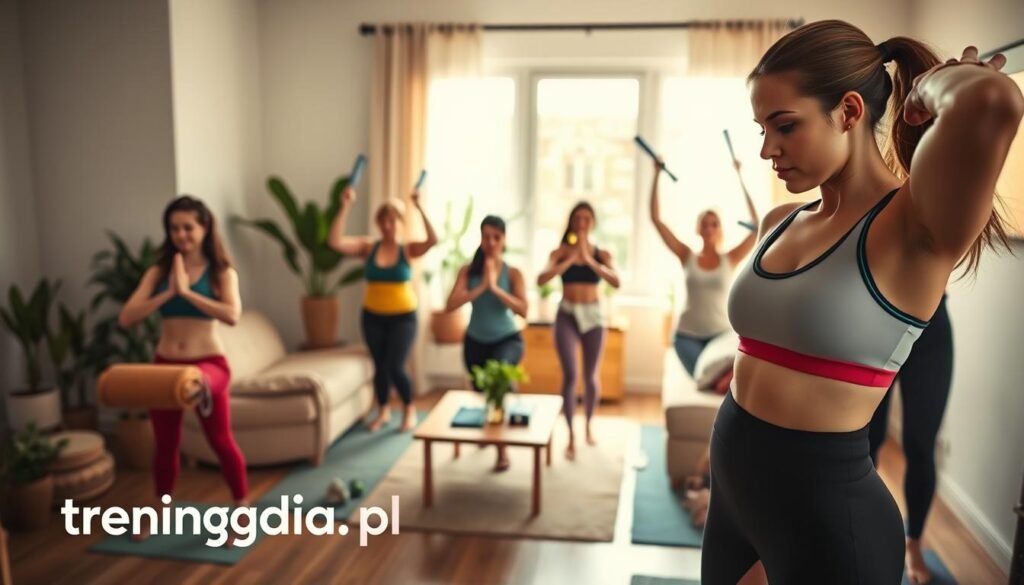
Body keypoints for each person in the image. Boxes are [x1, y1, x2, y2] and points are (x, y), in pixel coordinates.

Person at [703, 20, 1021, 584]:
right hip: (733, 500)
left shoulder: (913, 230)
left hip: (829, 522)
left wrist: (925, 91)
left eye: (784, 126)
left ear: (849, 112)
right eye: (761, 128)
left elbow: (993, 98)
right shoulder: (781, 222)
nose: (766, 150)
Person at [119, 196, 248, 543]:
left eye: (188, 227)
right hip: (165, 365)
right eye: (174, 228)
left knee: (220, 440)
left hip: (209, 365)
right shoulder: (157, 273)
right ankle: (160, 511)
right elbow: (127, 317)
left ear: (204, 229)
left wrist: (189, 294)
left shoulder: (222, 273)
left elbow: (232, 315)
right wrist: (168, 293)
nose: (181, 235)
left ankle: (241, 508)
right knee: (165, 444)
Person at [328, 186, 438, 432]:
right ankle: (384, 411)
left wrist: (419, 206)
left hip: (404, 318)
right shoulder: (369, 248)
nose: (388, 225)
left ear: (399, 222)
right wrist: (345, 206)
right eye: (383, 221)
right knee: (379, 364)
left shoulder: (407, 249)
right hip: (373, 317)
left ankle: (409, 409)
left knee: (395, 365)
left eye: (392, 220)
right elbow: (335, 242)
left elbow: (433, 240)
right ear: (378, 223)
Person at [868, 293, 953, 584]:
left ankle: (914, 544)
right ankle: (863, 535)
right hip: (876, 323)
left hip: (930, 328)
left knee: (920, 445)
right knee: (865, 443)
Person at [649, 156, 759, 378]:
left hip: (720, 336)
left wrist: (740, 177)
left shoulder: (730, 258)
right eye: (705, 223)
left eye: (714, 223)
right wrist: (656, 175)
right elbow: (656, 220)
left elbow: (756, 227)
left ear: (720, 229)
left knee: (722, 377)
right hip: (686, 336)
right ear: (698, 228)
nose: (709, 228)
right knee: (703, 377)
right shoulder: (686, 255)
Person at [536, 202, 621, 460]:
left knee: (591, 375)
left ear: (592, 223)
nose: (582, 223)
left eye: (587, 218)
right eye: (578, 218)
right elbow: (541, 279)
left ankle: (589, 425)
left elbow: (616, 281)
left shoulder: (602, 253)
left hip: (594, 317)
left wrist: (589, 261)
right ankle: (571, 434)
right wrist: (572, 258)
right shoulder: (560, 252)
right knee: (571, 375)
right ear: (572, 222)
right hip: (568, 315)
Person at [445, 215, 528, 471]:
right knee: (482, 395)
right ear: (480, 239)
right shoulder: (467, 271)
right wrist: (481, 287)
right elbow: (450, 305)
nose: (491, 242)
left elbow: (523, 310)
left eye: (496, 237)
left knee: (498, 385)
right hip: (475, 342)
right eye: (486, 237)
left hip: (507, 340)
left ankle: (502, 452)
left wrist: (495, 288)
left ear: (504, 240)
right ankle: (491, 432)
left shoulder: (513, 273)